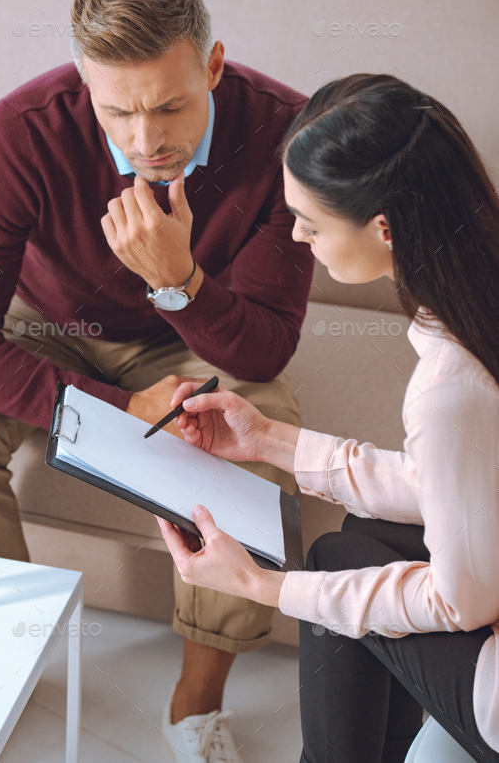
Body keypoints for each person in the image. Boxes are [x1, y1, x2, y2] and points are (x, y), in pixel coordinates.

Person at [0, 0, 314, 762]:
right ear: (83, 84)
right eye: (116, 112)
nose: (145, 141)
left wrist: (181, 281)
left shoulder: (283, 134)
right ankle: (7, 655)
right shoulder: (26, 128)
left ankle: (197, 703)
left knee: (262, 442)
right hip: (49, 323)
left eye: (170, 106)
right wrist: (109, 405)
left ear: (214, 65)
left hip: (198, 330)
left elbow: (266, 346)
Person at [158, 73, 499, 763]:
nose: (301, 241)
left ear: (385, 227)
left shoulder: (452, 382)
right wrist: (270, 440)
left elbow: (462, 605)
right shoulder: (475, 302)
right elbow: (456, 482)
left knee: (335, 560)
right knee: (365, 534)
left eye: (310, 225)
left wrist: (262, 586)